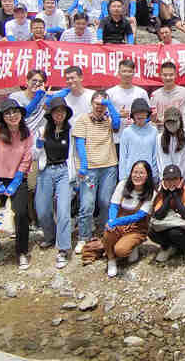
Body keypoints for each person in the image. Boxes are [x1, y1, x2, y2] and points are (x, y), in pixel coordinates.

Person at [0, 98, 33, 269]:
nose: (12, 116)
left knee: (21, 213)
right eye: (8, 113)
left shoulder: (26, 133)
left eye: (15, 112)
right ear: (2, 117)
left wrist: (16, 181)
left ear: (20, 114)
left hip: (17, 178)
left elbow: (27, 158)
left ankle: (22, 251)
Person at [72, 91, 121, 254]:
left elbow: (117, 125)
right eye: (97, 103)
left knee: (106, 202)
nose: (100, 107)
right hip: (90, 169)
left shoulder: (109, 119)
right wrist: (83, 165)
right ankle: (83, 236)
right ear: (91, 104)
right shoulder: (83, 120)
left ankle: (105, 233)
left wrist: (110, 106)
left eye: (103, 104)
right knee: (87, 204)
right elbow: (80, 144)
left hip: (109, 166)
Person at [32, 97, 75, 269]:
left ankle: (63, 248)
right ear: (50, 114)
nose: (59, 114)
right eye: (56, 111)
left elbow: (74, 153)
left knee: (63, 210)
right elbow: (34, 155)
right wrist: (38, 145)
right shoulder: (42, 130)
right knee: (42, 209)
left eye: (62, 111)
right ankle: (50, 236)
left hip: (64, 171)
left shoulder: (71, 131)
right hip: (46, 171)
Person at [103, 160, 154, 277]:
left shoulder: (151, 192)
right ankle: (111, 260)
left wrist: (116, 221)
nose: (137, 175)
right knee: (107, 232)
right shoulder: (122, 184)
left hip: (136, 228)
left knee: (121, 250)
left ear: (147, 176)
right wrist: (111, 221)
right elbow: (114, 205)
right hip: (119, 224)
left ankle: (133, 245)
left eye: (141, 173)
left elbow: (139, 216)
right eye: (135, 172)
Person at [150, 164, 185, 265]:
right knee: (151, 232)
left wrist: (176, 194)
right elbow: (159, 215)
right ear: (163, 181)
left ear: (181, 179)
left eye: (175, 179)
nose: (171, 182)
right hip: (168, 225)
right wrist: (168, 196)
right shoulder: (161, 191)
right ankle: (168, 247)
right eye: (168, 179)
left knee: (174, 233)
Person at [107, 59, 149, 154]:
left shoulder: (141, 93)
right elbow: (105, 116)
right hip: (116, 139)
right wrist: (117, 115)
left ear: (134, 73)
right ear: (119, 73)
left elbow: (148, 116)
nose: (127, 74)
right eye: (124, 71)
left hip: (138, 138)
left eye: (130, 71)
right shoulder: (110, 93)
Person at [119, 98, 159, 184]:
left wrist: (155, 175)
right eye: (137, 113)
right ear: (133, 115)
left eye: (143, 112)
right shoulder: (127, 132)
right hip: (131, 175)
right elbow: (123, 157)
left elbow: (155, 155)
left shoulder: (154, 131)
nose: (140, 115)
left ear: (147, 114)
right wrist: (123, 179)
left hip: (149, 175)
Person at [159, 107, 185, 186]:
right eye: (168, 122)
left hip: (183, 178)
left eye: (174, 122)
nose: (171, 125)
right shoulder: (159, 138)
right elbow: (161, 160)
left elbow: (184, 161)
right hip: (165, 179)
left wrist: (177, 179)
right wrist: (165, 178)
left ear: (180, 121)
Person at [150, 61, 185, 129]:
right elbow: (153, 119)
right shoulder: (155, 95)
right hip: (161, 132)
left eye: (171, 75)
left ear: (176, 75)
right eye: (165, 75)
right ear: (160, 75)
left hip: (180, 131)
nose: (168, 78)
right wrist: (154, 119)